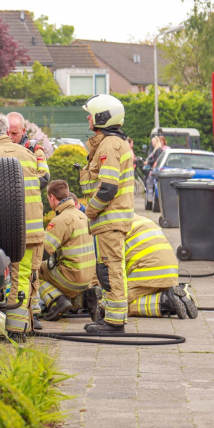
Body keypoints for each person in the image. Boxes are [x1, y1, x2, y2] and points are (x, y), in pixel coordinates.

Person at [0, 113, 45, 341]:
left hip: (0, 231)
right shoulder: (27, 154)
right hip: (31, 231)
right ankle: (18, 331)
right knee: (22, 276)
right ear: (6, 132)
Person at [79, 94, 134, 334]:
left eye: (90, 114)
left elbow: (108, 187)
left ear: (102, 117)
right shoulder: (112, 142)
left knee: (110, 271)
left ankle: (114, 322)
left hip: (108, 220)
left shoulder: (109, 145)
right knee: (108, 270)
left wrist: (89, 211)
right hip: (109, 221)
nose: (88, 119)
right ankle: (109, 317)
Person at [38, 180, 100, 321]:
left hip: (72, 278)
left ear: (52, 197)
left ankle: (56, 301)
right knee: (61, 270)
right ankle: (87, 298)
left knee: (34, 271)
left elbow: (43, 253)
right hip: (88, 277)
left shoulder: (61, 220)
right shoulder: (83, 216)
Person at [125, 215, 197, 319]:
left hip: (147, 274)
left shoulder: (111, 228)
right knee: (147, 295)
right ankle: (179, 296)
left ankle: (166, 302)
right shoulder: (137, 218)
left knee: (116, 305)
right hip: (169, 272)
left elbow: (111, 266)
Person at [7, 112, 50, 188]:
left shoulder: (34, 150)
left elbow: (44, 177)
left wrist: (18, 187)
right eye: (7, 133)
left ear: (23, 131)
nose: (10, 136)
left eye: (14, 133)